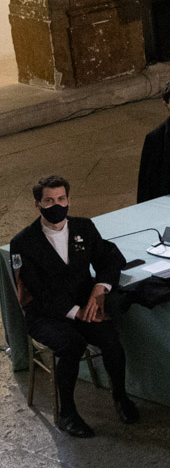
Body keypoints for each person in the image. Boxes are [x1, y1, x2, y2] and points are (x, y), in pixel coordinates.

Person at [9, 176, 135, 437]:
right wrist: (76, 312)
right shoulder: (23, 243)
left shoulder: (84, 227)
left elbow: (110, 258)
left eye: (61, 199)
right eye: (49, 200)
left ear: (69, 200)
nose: (57, 205)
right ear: (37, 204)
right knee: (71, 344)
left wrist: (100, 290)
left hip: (84, 305)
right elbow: (35, 291)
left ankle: (121, 397)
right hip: (46, 315)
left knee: (111, 340)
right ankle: (67, 413)